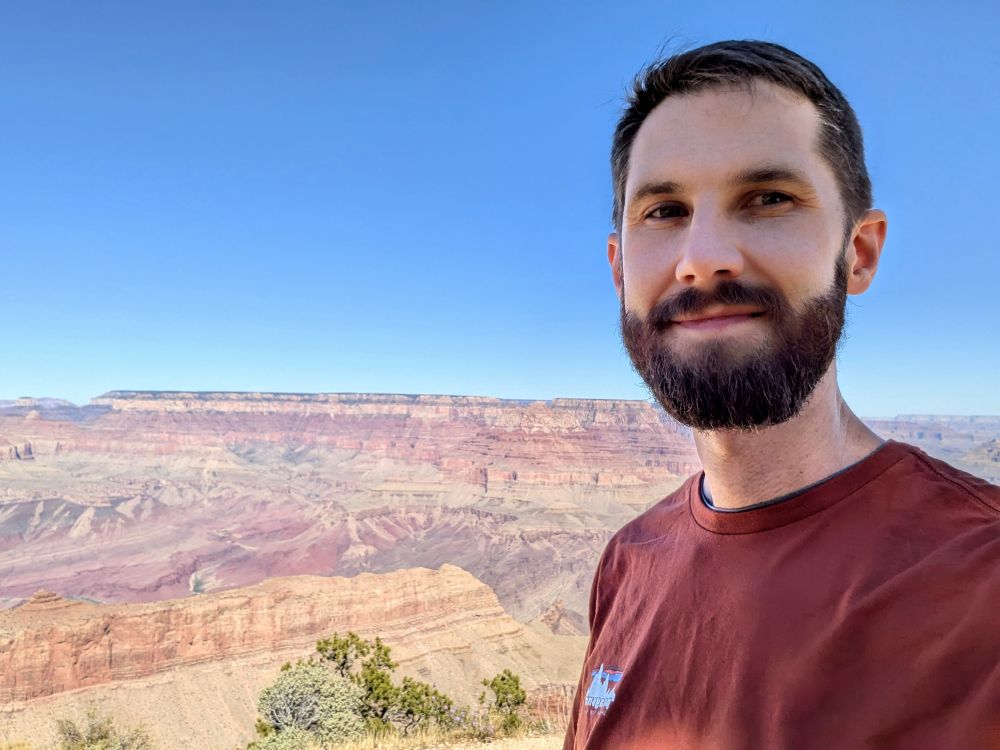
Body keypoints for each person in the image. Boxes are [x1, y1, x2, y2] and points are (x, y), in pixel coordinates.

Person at [564, 40, 1000, 749]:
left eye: (768, 199)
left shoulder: (982, 578)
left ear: (858, 252)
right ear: (618, 269)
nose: (702, 258)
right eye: (664, 211)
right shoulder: (627, 563)